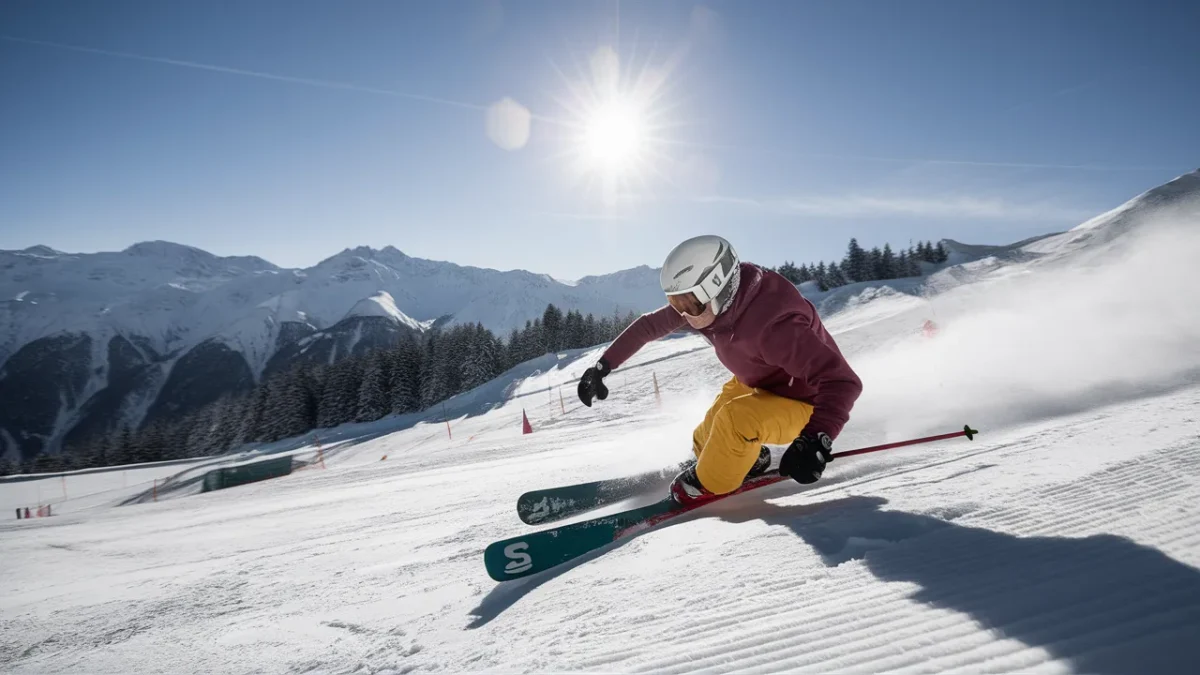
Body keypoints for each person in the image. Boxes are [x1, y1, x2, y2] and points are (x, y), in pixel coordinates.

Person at [577, 235, 863, 506]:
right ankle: (745, 459)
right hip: (761, 383)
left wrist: (816, 439)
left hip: (805, 403)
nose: (684, 314)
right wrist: (604, 365)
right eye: (677, 303)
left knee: (735, 420)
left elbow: (842, 382)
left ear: (720, 287)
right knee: (707, 433)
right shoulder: (707, 307)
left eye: (689, 304)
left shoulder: (776, 325)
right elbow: (648, 326)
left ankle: (710, 484)